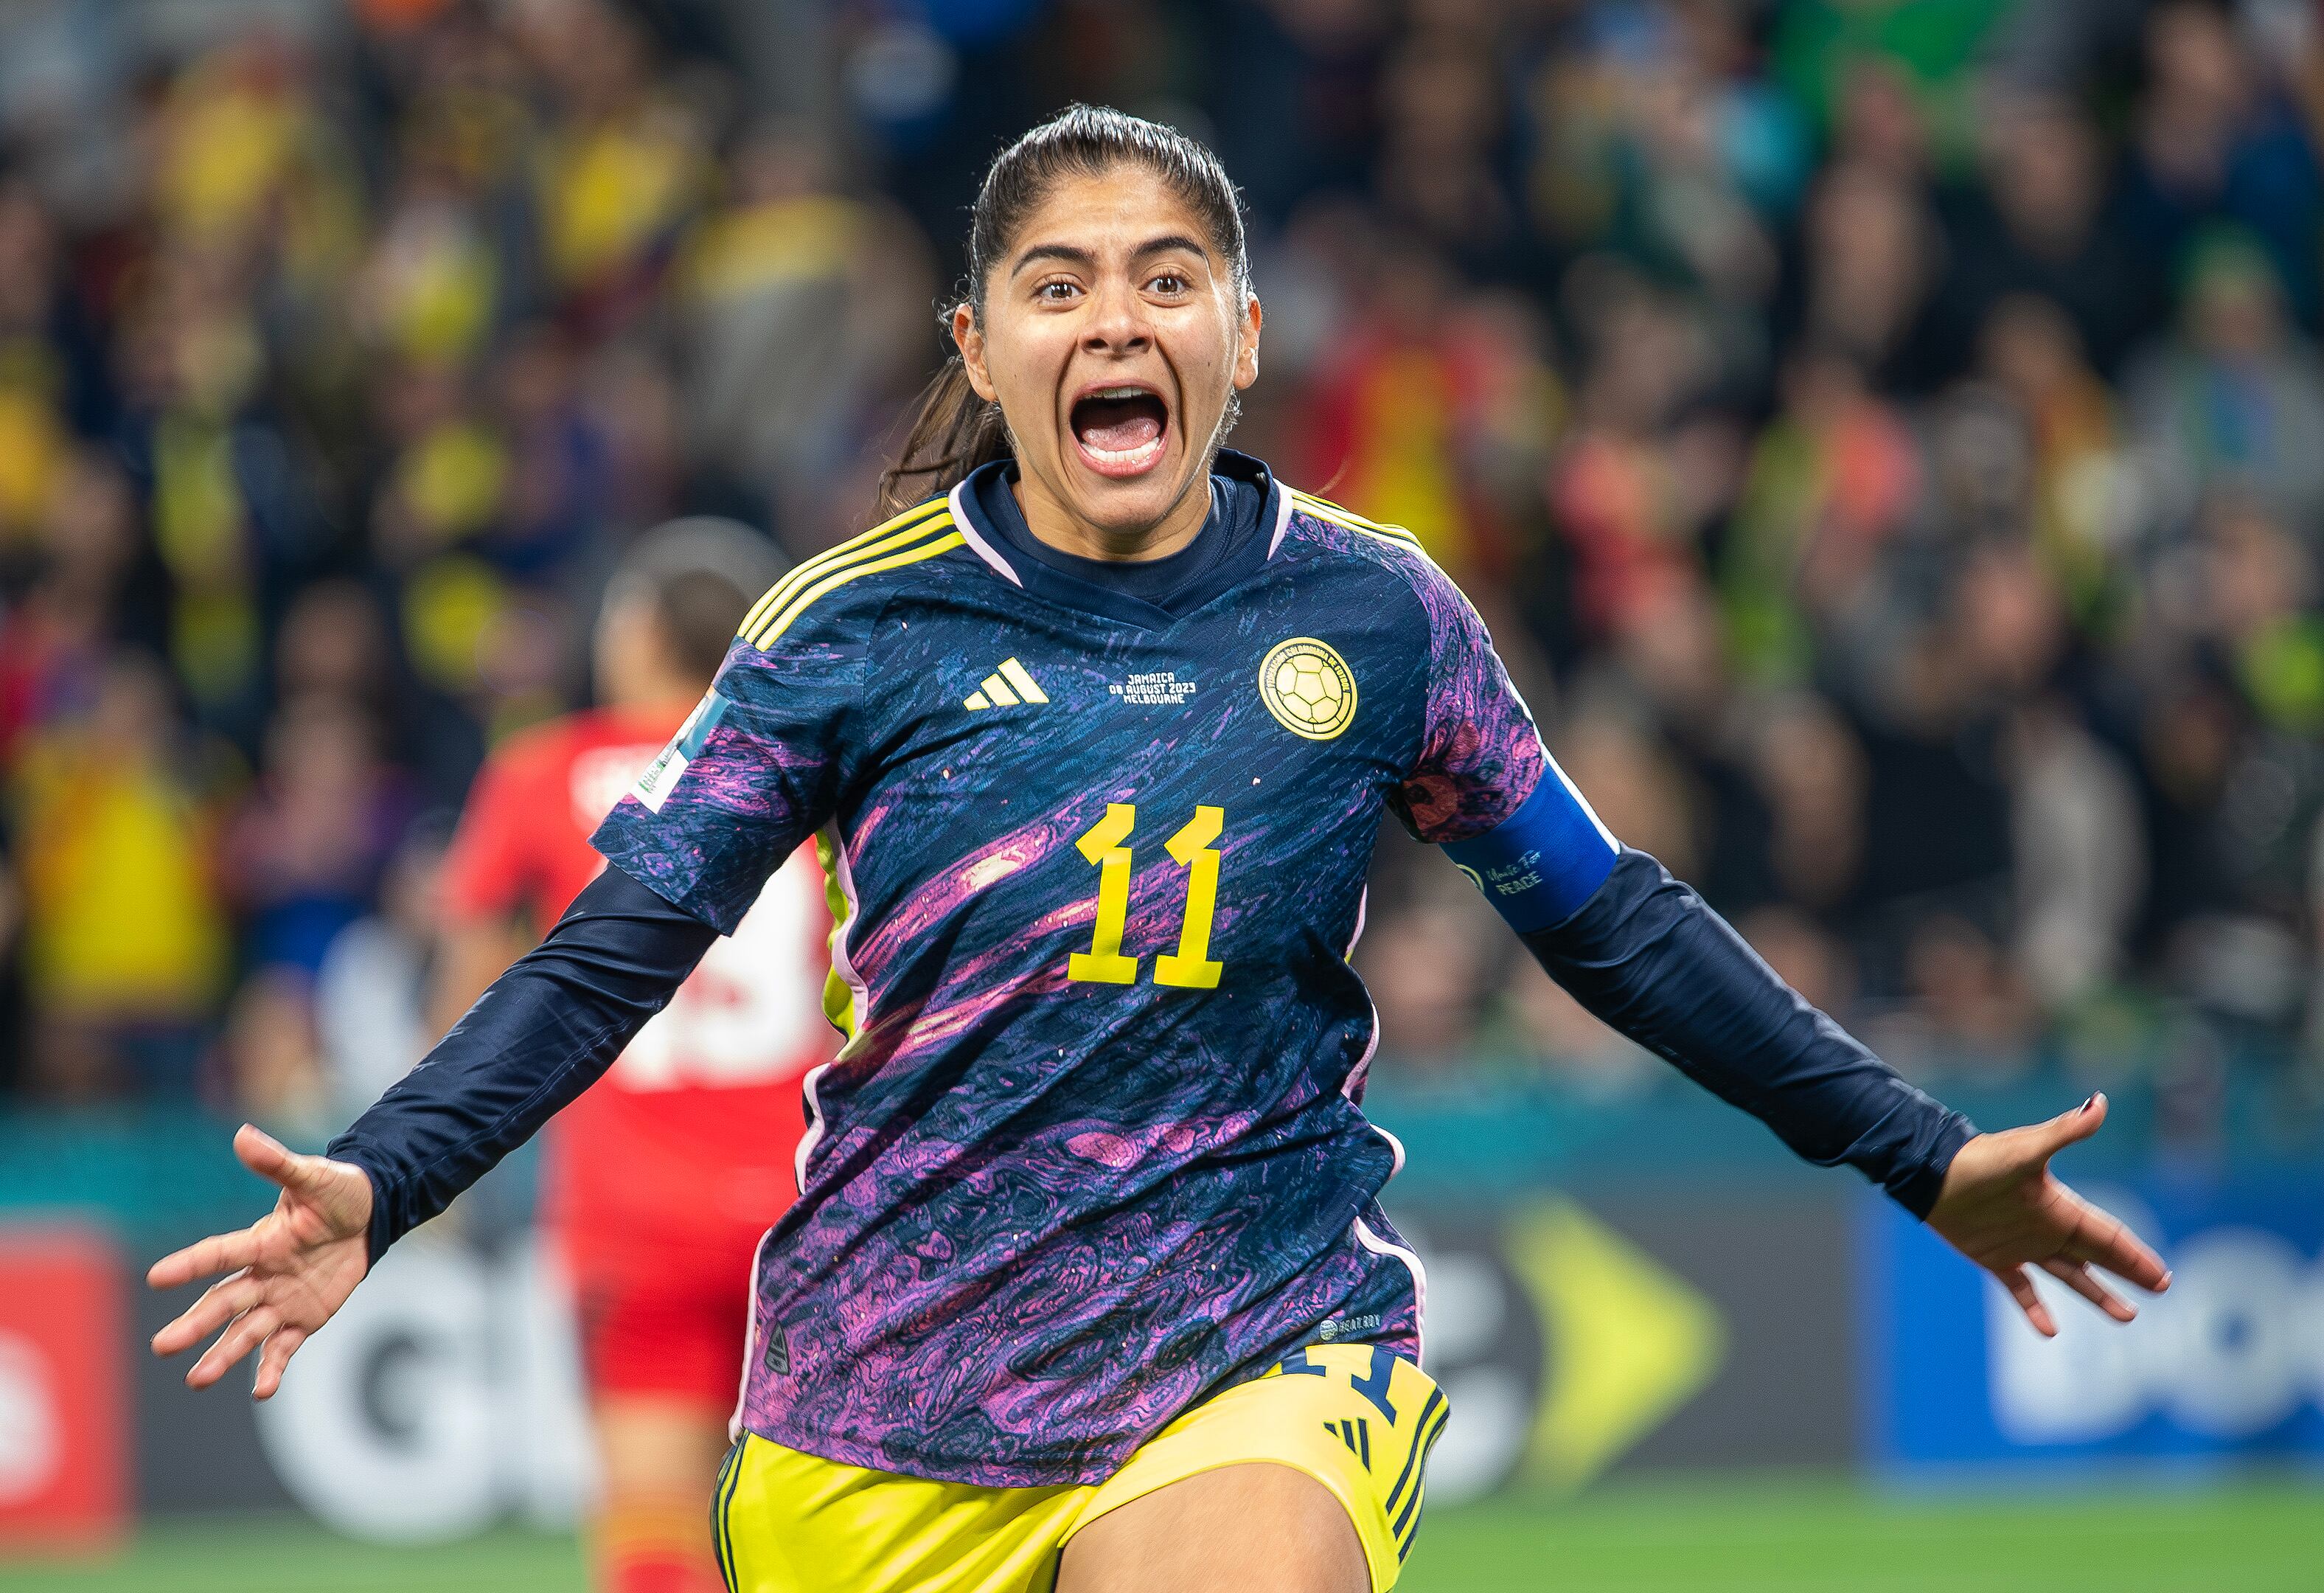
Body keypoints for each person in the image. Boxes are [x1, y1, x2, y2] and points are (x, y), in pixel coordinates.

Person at [150, 108, 2168, 1593]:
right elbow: (616, 950)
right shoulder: (849, 632)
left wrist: (1917, 1153)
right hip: (882, 1393)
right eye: (1058, 284)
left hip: (1254, 1339)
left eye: (1165, 278)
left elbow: (1613, 921)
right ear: (979, 348)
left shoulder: (1376, 621)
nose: (1114, 317)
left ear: (1245, 338)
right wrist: (387, 1176)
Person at [432, 521, 835, 1593]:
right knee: (828, 1533)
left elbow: (474, 995)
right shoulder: (828, 779)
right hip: (806, 1206)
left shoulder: (540, 771)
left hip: (634, 1215)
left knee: (655, 1537)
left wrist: (438, 1175)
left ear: (640, 632)